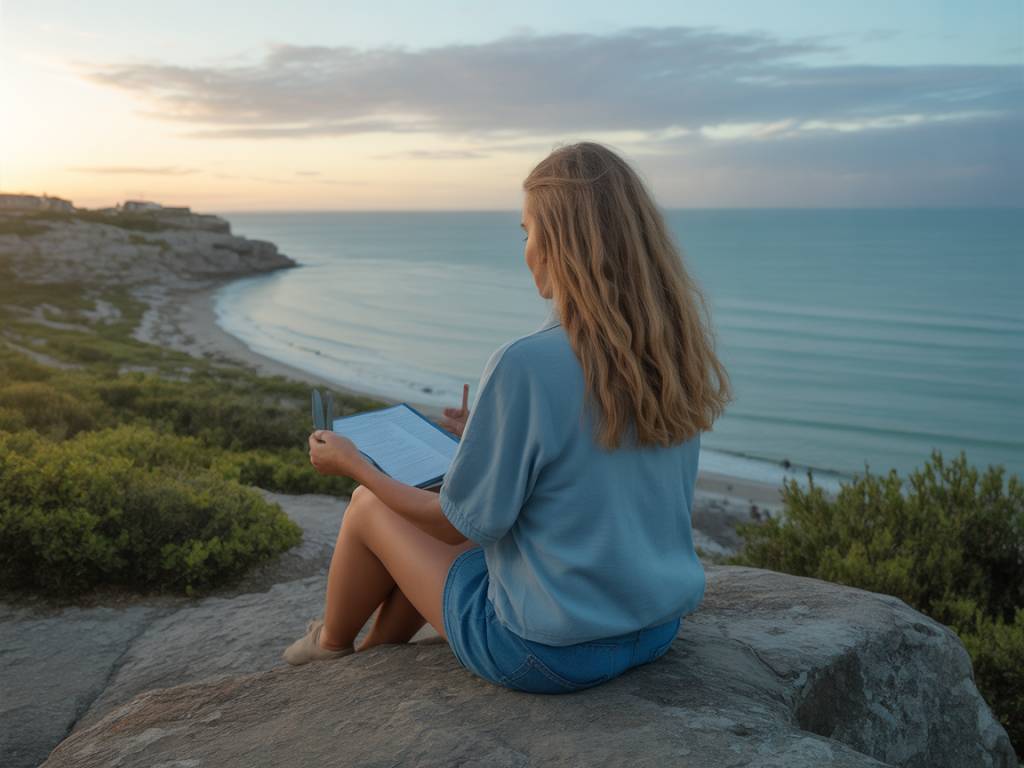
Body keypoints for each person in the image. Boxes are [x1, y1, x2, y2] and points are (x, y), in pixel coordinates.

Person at [284, 141, 733, 695]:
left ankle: (329, 645)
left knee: (370, 507)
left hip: (547, 653)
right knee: (456, 536)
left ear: (561, 242)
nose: (526, 250)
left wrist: (354, 465)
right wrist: (484, 436)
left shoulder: (527, 362)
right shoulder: (670, 351)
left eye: (528, 233)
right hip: (654, 628)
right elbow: (590, 470)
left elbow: (456, 525)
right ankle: (377, 652)